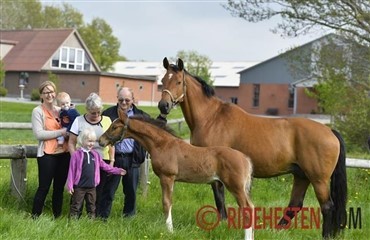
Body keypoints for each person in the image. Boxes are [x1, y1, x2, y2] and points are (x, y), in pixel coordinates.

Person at [97, 87, 166, 219]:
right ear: (117, 99)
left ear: (133, 100)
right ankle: (102, 217)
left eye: (127, 100)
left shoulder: (141, 116)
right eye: (121, 100)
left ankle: (129, 217)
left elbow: (156, 127)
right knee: (109, 190)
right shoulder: (108, 114)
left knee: (131, 192)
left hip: (133, 158)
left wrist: (163, 115)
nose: (123, 103)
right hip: (114, 158)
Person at [68, 92, 115, 216]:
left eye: (99, 112)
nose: (96, 115)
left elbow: (111, 143)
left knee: (98, 193)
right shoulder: (78, 121)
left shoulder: (107, 120)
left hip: (101, 161)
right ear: (87, 110)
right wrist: (76, 159)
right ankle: (75, 217)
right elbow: (71, 142)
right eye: (93, 112)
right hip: (82, 161)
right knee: (79, 191)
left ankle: (95, 219)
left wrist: (112, 160)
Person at [66, 127, 126, 219]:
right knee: (76, 205)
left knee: (92, 206)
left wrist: (117, 171)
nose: (91, 144)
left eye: (93, 141)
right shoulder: (76, 155)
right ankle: (73, 222)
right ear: (82, 140)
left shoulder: (95, 155)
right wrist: (70, 185)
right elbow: (71, 170)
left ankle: (91, 222)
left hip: (92, 187)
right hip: (79, 187)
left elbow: (105, 167)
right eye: (89, 141)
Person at [31, 81, 70, 219]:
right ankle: (35, 217)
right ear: (41, 94)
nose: (50, 94)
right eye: (46, 92)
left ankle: (57, 217)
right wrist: (61, 132)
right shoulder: (37, 111)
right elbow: (39, 134)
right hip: (47, 155)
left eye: (52, 91)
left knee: (59, 189)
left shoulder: (62, 110)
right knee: (44, 188)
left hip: (64, 154)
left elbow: (72, 126)